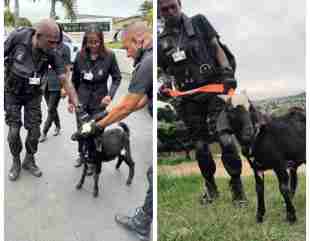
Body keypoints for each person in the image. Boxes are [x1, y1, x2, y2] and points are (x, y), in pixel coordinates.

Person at [158, 0, 247, 206]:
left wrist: (226, 72)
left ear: (180, 5)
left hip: (214, 88)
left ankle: (237, 187)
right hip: (188, 97)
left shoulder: (199, 22)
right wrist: (163, 85)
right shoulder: (162, 41)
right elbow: (164, 71)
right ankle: (211, 188)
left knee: (225, 139)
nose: (170, 12)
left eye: (173, 6)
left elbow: (216, 48)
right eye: (165, 9)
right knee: (200, 146)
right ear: (160, 13)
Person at [76, 22, 153, 241]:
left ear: (138, 40)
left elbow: (126, 106)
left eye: (127, 48)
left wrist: (99, 125)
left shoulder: (147, 62)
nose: (127, 54)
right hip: (86, 103)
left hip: (101, 108)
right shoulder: (148, 59)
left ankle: (142, 223)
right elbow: (138, 103)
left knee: (151, 174)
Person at [4, 18, 79, 181]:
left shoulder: (52, 52)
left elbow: (64, 79)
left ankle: (29, 160)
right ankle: (16, 161)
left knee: (35, 132)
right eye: (51, 42)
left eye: (56, 42)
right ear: (38, 36)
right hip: (12, 93)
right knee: (13, 132)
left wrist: (75, 101)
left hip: (33, 94)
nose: (54, 46)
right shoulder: (17, 38)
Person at [70, 26, 122, 170]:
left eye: (96, 42)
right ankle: (81, 155)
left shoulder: (110, 56)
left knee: (96, 131)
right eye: (90, 42)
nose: (93, 45)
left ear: (101, 41)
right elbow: (74, 80)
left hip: (99, 102)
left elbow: (117, 78)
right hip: (82, 100)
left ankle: (94, 159)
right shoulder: (80, 56)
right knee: (82, 130)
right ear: (85, 42)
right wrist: (71, 100)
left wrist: (109, 95)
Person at [39, 42, 71, 142]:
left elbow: (67, 69)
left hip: (57, 84)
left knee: (50, 109)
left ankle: (44, 132)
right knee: (52, 109)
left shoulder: (65, 48)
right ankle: (58, 126)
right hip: (45, 84)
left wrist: (64, 87)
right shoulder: (45, 46)